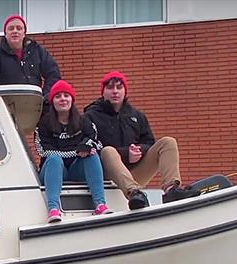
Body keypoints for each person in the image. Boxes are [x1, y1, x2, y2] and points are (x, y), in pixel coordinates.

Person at [84, 71, 200, 209]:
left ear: (125, 91)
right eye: (110, 88)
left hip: (135, 173)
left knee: (168, 142)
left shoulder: (136, 115)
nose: (115, 91)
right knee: (108, 151)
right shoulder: (90, 116)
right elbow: (91, 147)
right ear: (103, 92)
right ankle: (134, 193)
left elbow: (149, 143)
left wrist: (139, 151)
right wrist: (126, 154)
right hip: (109, 175)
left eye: (119, 87)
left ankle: (171, 190)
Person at [35, 80, 108, 222]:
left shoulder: (83, 120)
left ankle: (100, 204)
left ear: (72, 99)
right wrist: (77, 151)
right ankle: (53, 209)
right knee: (54, 159)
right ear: (52, 101)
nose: (62, 99)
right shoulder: (43, 124)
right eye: (58, 96)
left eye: (66, 96)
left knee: (92, 156)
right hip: (53, 171)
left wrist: (87, 146)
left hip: (76, 169)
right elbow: (43, 151)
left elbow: (96, 141)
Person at [0, 14, 61, 99]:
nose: (15, 31)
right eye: (11, 28)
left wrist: (45, 96)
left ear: (24, 33)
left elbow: (53, 74)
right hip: (6, 106)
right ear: (5, 34)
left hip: (35, 104)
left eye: (19, 28)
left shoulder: (37, 50)